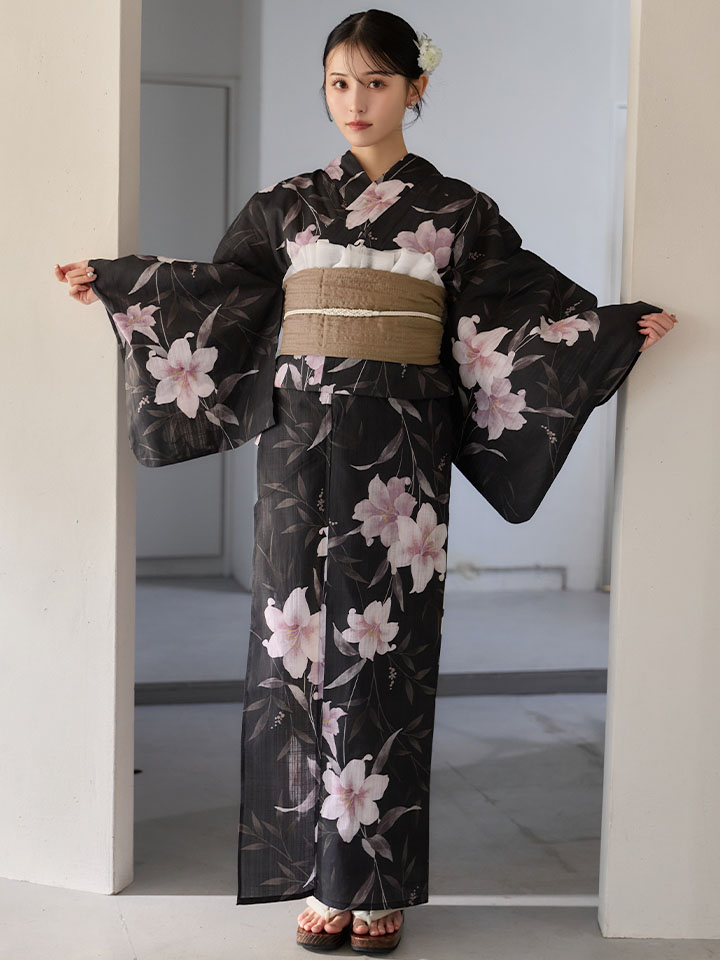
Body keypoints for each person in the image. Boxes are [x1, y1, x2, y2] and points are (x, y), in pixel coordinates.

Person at [53, 9, 678, 953]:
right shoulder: (286, 207)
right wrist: (120, 284)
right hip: (295, 456)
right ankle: (317, 874)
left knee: (386, 655)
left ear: (415, 89)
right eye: (339, 82)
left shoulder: (459, 212)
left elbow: (520, 315)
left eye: (377, 83)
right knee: (294, 648)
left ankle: (375, 883)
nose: (355, 101)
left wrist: (611, 331)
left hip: (401, 461)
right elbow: (223, 298)